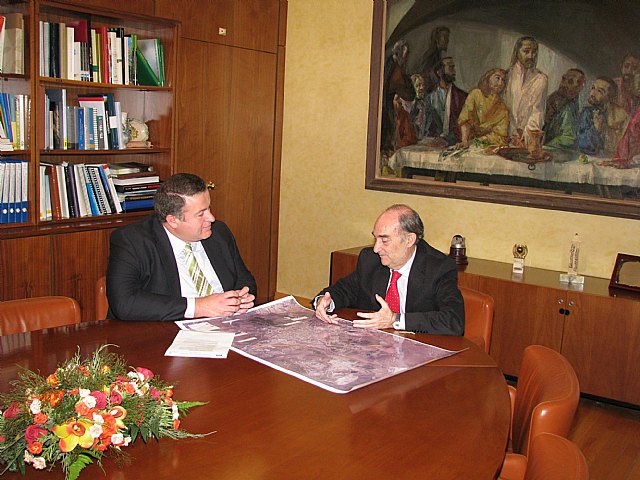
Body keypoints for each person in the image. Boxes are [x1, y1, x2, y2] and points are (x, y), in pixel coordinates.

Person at [107, 173, 256, 321]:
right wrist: (199, 307)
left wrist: (241, 298)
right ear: (173, 220)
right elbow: (125, 303)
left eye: (209, 208)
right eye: (201, 214)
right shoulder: (132, 241)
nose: (211, 218)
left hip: (226, 326)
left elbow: (244, 278)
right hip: (166, 333)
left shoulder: (219, 232)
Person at [314, 204, 464, 335]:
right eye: (375, 238)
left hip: (417, 351)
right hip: (375, 350)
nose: (376, 248)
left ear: (409, 240)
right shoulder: (370, 259)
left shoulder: (438, 268)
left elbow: (453, 320)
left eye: (384, 240)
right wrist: (325, 301)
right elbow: (346, 289)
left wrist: (395, 320)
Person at [503, 36, 548, 147]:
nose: (530, 56)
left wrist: (527, 135)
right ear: (517, 52)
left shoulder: (541, 79)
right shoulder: (507, 76)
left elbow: (537, 111)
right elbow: (503, 107)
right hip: (505, 135)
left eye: (534, 52)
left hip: (527, 140)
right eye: (526, 51)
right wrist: (512, 133)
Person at [456, 68, 509, 148]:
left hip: (486, 145)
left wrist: (477, 142)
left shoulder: (503, 108)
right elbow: (465, 119)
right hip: (468, 141)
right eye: (497, 78)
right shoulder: (476, 94)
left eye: (503, 80)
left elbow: (499, 135)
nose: (500, 83)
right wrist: (464, 141)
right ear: (488, 78)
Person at [577, 77, 629, 156]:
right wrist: (596, 129)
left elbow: (625, 145)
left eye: (600, 91)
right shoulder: (586, 113)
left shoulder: (621, 115)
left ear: (610, 97)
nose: (593, 93)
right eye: (593, 88)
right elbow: (580, 142)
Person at [426, 57, 468, 145]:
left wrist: (447, 140)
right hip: (433, 144)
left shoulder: (462, 97)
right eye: (451, 68)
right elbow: (428, 126)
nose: (454, 72)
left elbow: (464, 125)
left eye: (454, 68)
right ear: (439, 72)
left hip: (455, 143)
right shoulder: (430, 98)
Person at [544, 68, 586, 149]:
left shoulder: (569, 109)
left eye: (570, 82)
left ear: (579, 87)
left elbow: (567, 139)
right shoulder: (552, 99)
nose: (564, 84)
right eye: (563, 79)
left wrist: (544, 146)